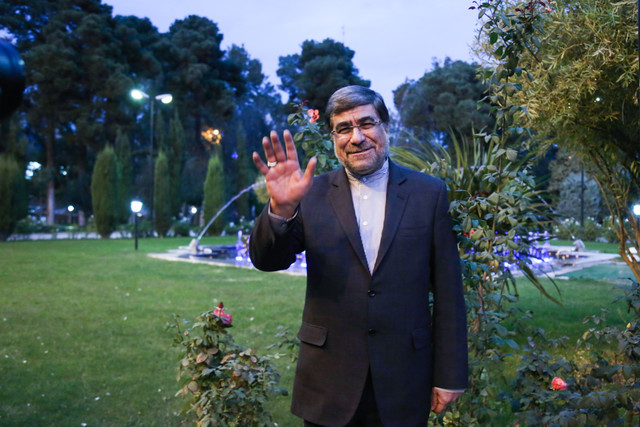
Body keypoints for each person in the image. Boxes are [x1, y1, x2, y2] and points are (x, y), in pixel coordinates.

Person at [250, 85, 468, 426]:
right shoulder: (310, 193)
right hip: (328, 382)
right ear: (333, 138)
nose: (357, 137)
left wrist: (450, 375)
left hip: (404, 379)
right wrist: (281, 209)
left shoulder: (429, 194)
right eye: (344, 128)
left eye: (366, 123)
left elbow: (448, 293)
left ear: (385, 127)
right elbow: (268, 260)